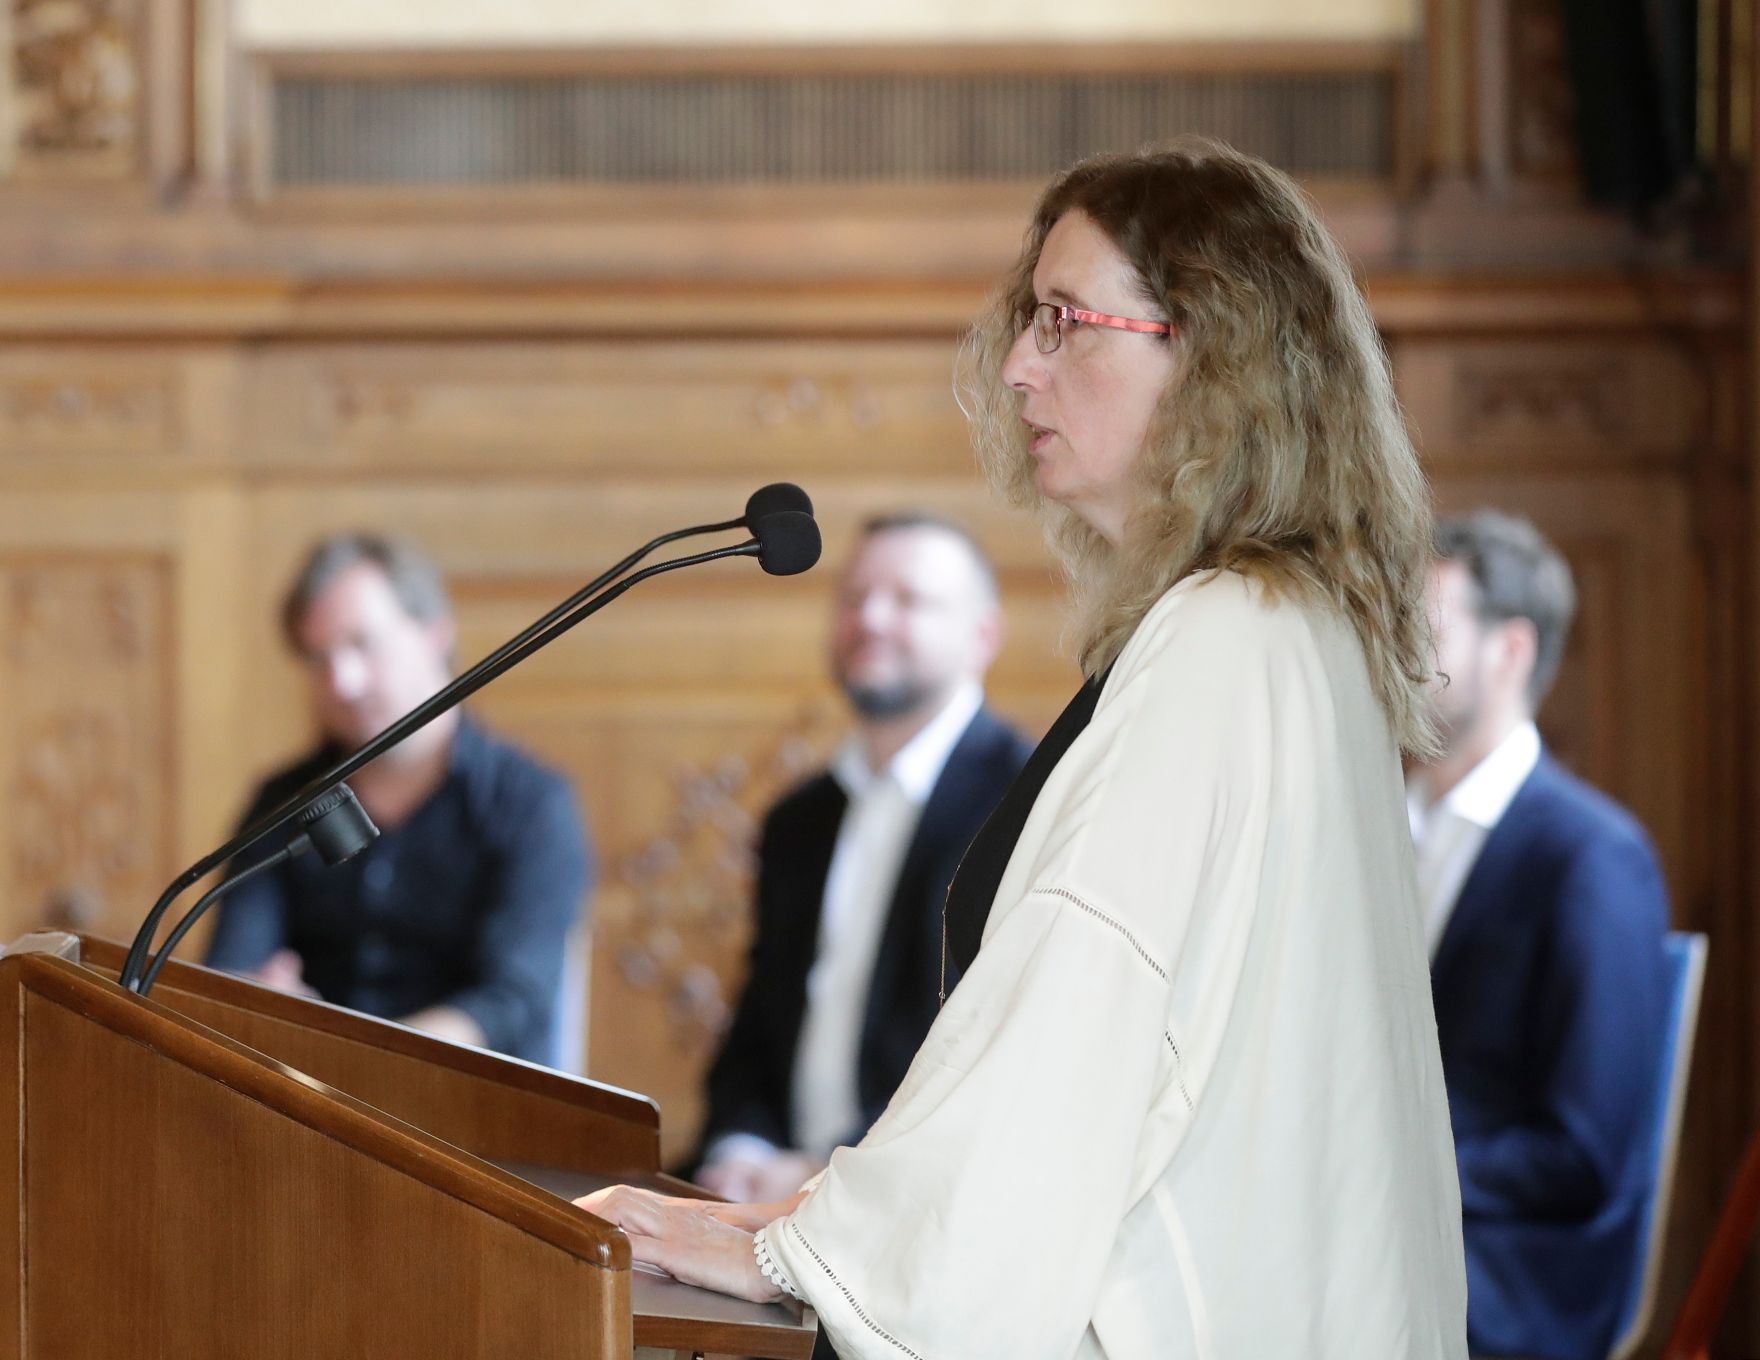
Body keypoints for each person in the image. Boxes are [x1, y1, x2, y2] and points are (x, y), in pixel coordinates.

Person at [580, 139, 1469, 1358]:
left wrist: (782, 1251)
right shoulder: (1300, 629)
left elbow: (1070, 1047)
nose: (1014, 369)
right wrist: (802, 1217)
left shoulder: (1219, 640)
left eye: (1061, 322)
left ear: (1207, 350)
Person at [695, 512, 1034, 1206]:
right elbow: (758, 1028)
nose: (871, 618)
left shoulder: (1025, 805)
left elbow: (1002, 1054)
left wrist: (831, 1169)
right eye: (854, 596)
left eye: (909, 600)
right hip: (774, 1199)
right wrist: (740, 1151)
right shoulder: (798, 820)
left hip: (934, 1201)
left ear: (983, 636)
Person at [1411, 510, 1669, 1360]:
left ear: (1509, 651)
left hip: (1511, 1271)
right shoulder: (1387, 830)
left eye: (1424, 626)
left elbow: (1583, 1154)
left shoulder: (1593, 857)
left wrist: (1389, 1173)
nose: (1392, 654)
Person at [204, 532, 593, 1066]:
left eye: (362, 643)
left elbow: (514, 999)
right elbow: (228, 974)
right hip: (305, 1104)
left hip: (473, 1110)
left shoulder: (530, 804)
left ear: (435, 635)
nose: (343, 681)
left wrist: (369, 1059)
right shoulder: (282, 803)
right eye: (319, 659)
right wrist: (263, 1002)